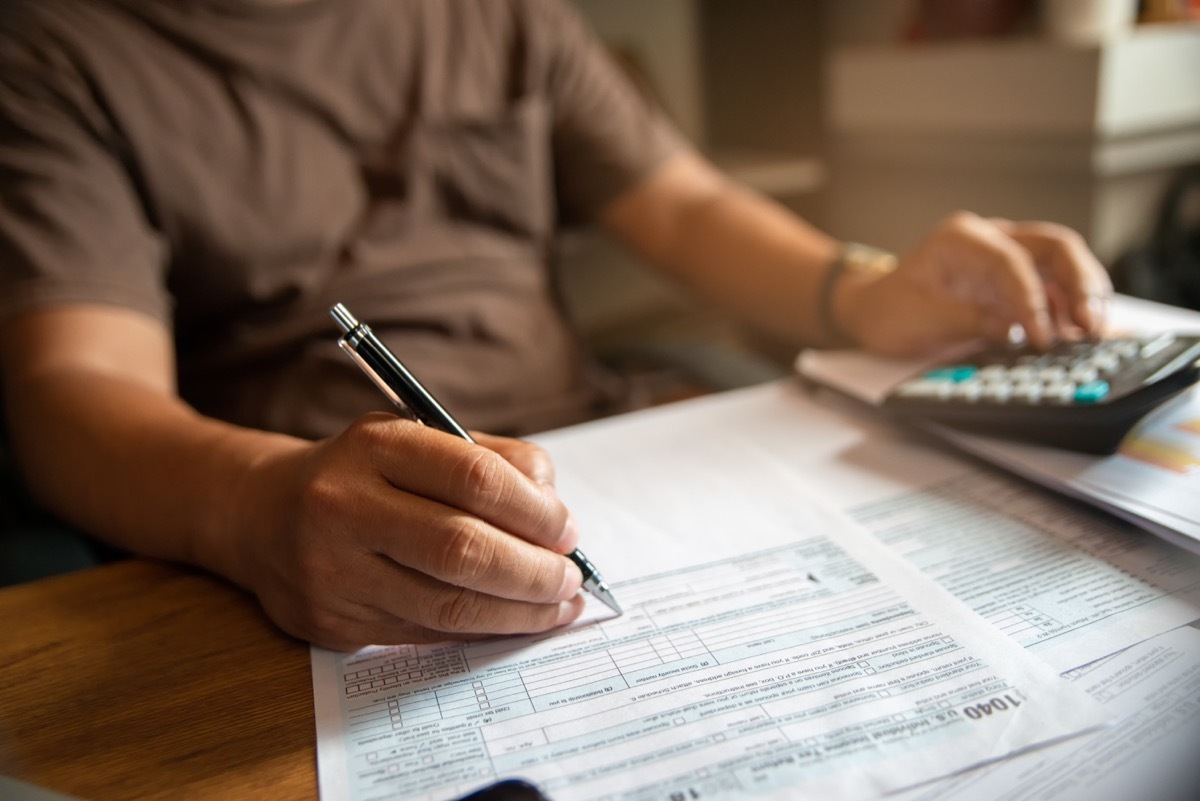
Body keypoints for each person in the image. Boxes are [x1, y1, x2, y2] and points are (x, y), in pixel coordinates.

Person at [0, 0, 1111, 650]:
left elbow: (682, 205)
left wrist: (863, 287)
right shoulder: (56, 50)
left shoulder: (502, 10)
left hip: (596, 456)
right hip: (305, 540)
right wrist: (253, 511)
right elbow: (74, 390)